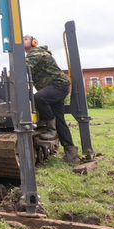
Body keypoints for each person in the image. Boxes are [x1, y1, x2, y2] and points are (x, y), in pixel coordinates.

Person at [23, 35, 79, 164]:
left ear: (34, 42)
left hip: (58, 85)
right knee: (60, 120)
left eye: (25, 39)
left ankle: (51, 129)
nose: (22, 41)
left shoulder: (36, 52)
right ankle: (71, 153)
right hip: (55, 86)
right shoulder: (31, 55)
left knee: (38, 98)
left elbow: (24, 68)